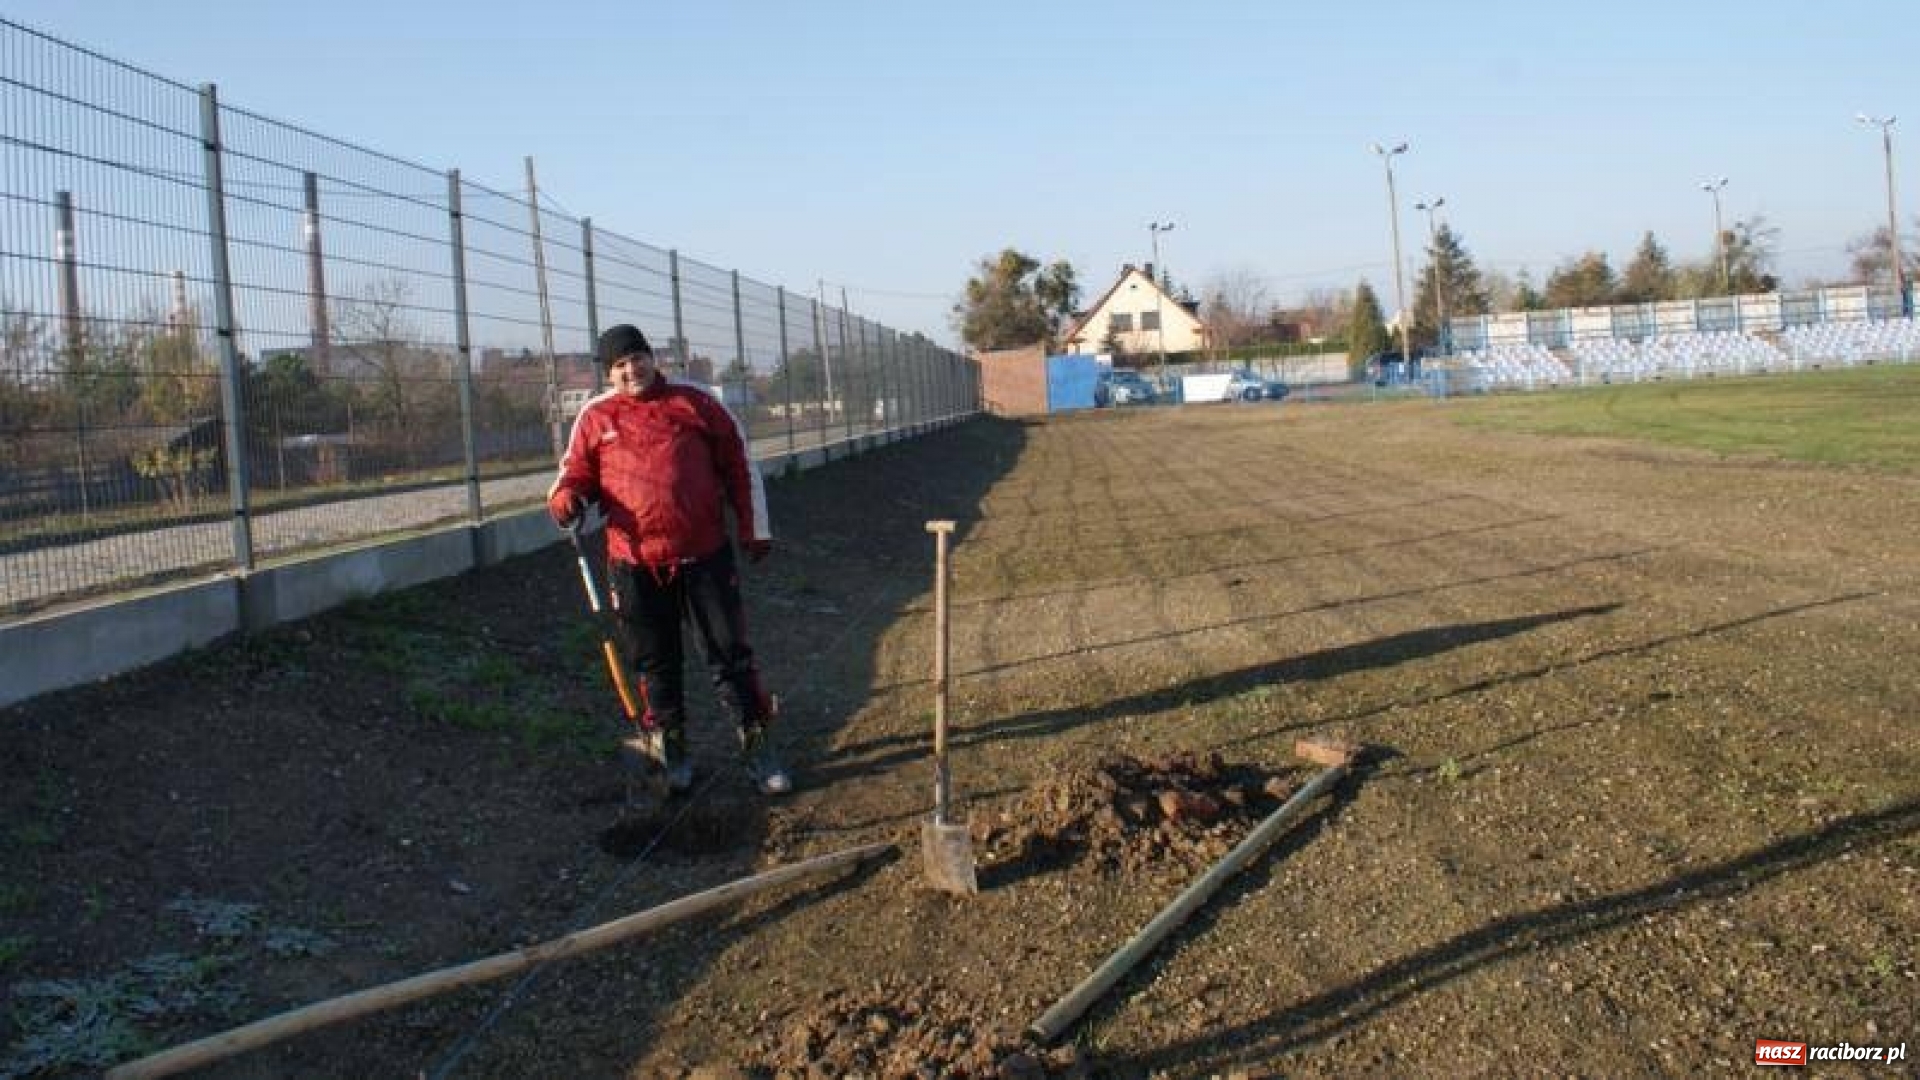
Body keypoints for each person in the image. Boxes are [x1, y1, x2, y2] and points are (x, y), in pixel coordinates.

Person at [547, 324, 790, 796]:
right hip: (634, 564)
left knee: (730, 654)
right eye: (619, 365)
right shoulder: (595, 417)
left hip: (705, 556)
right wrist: (567, 499)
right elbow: (572, 474)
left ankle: (758, 746)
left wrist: (754, 527)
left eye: (637, 358)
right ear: (608, 373)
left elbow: (739, 463)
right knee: (655, 663)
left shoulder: (696, 402)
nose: (630, 370)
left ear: (652, 358)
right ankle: (670, 750)